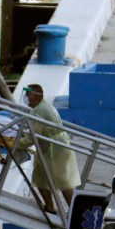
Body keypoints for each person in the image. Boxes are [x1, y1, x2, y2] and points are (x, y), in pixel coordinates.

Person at [17, 84, 81, 214]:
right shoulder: (42, 105)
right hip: (51, 147)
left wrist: (17, 144)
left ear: (35, 96)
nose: (27, 99)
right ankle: (50, 207)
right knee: (40, 177)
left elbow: (32, 137)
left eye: (28, 96)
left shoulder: (40, 111)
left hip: (55, 149)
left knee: (64, 182)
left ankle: (75, 212)